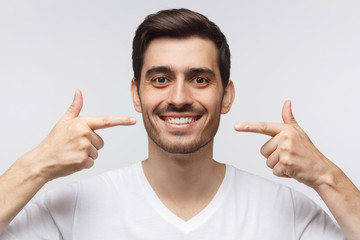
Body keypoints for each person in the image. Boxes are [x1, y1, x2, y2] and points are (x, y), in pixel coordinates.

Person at [0, 8, 359, 240]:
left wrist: (326, 176)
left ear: (227, 95)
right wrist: (36, 166)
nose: (179, 97)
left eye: (200, 79)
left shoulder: (289, 213)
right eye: (160, 79)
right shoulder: (73, 209)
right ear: (136, 95)